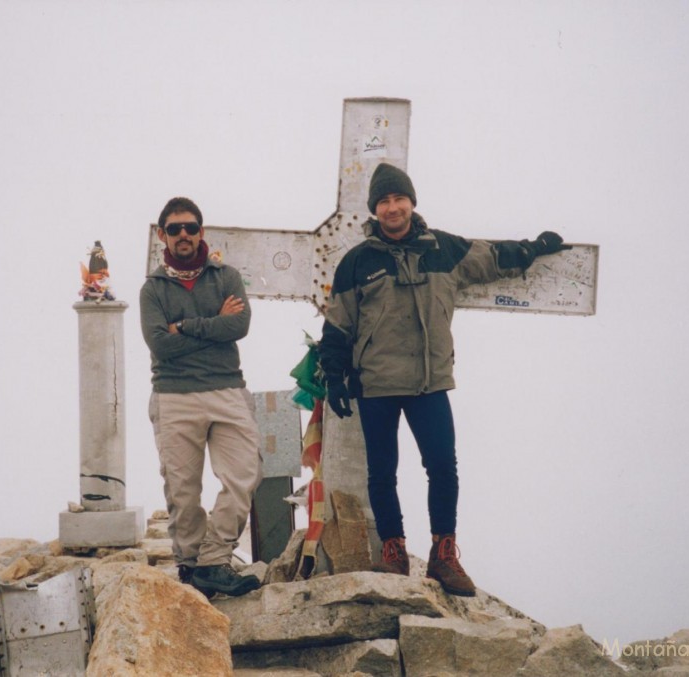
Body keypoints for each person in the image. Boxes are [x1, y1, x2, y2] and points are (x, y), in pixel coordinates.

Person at [318, 163, 569, 597]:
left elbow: (493, 257)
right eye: (384, 202)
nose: (392, 208)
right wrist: (334, 378)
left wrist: (534, 248)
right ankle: (393, 553)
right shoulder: (357, 262)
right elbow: (338, 324)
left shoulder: (445, 250)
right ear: (375, 210)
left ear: (412, 202)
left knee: (443, 469)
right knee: (382, 473)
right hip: (376, 384)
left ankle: (444, 554)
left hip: (429, 383)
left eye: (398, 199)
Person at [140, 196, 262, 597]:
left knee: (244, 475)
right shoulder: (152, 289)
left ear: (201, 232)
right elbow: (160, 345)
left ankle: (214, 559)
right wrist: (214, 324)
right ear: (163, 235)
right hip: (174, 396)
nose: (184, 235)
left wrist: (184, 327)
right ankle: (192, 570)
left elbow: (239, 325)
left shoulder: (226, 276)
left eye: (191, 227)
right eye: (175, 229)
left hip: (227, 388)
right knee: (182, 489)